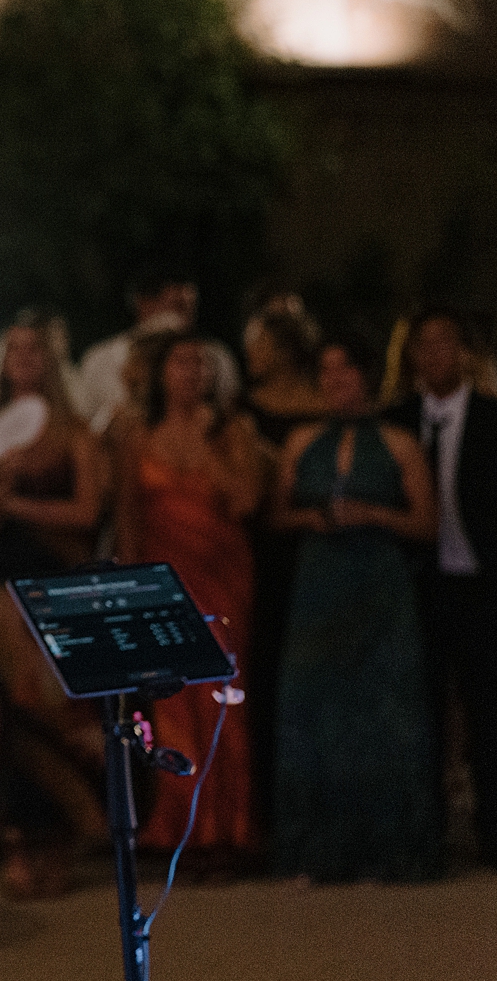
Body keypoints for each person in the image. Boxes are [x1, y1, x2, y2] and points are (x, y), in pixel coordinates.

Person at [272, 336, 442, 882]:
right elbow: (278, 514)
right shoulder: (302, 440)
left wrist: (373, 514)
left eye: (344, 370)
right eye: (326, 371)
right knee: (315, 708)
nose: (335, 381)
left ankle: (393, 845)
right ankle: (319, 847)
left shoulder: (399, 443)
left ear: (366, 377)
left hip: (379, 583)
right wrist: (314, 518)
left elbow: (427, 524)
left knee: (384, 709)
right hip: (320, 584)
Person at [0, 313, 107, 898]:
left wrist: (18, 503)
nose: (24, 358)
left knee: (63, 701)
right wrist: (4, 483)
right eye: (13, 348)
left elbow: (88, 513)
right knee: (19, 702)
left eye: (34, 349)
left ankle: (67, 834)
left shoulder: (75, 431)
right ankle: (23, 838)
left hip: (61, 578)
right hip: (4, 582)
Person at [385, 306, 497, 872]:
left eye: (445, 342)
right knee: (421, 713)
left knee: (487, 712)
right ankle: (427, 835)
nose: (435, 354)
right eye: (424, 344)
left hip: (483, 587)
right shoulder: (396, 422)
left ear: (465, 352)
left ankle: (495, 836)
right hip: (418, 589)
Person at [113, 332, 261, 864]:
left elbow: (245, 500)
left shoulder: (233, 429)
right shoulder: (137, 433)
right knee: (172, 701)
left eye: (201, 362)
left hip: (220, 577)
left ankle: (226, 829)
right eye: (180, 362)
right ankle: (179, 826)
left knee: (222, 696)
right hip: (164, 581)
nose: (191, 372)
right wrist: (129, 588)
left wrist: (203, 445)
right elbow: (129, 515)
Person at [237, 295, 326, 827]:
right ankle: (272, 805)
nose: (250, 354)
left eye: (259, 344)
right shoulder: (244, 410)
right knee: (268, 666)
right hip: (266, 550)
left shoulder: (327, 402)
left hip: (324, 547)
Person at [75, 270, 240, 435]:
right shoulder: (100, 359)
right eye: (177, 306)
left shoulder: (217, 354)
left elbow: (230, 406)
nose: (185, 318)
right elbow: (87, 421)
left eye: (191, 307)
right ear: (143, 303)